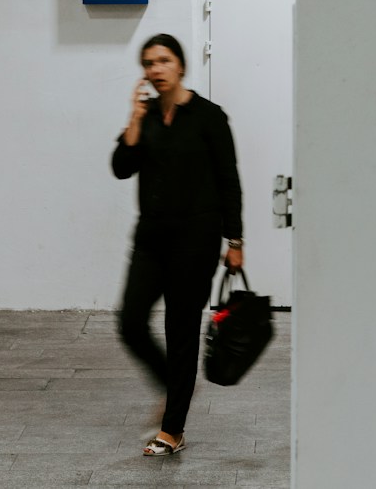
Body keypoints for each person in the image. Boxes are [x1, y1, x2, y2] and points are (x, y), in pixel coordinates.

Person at [111, 33, 244, 457]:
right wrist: (133, 121)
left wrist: (234, 238)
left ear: (181, 66)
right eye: (148, 63)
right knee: (131, 322)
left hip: (195, 241)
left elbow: (228, 180)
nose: (155, 69)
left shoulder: (209, 117)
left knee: (180, 331)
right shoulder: (145, 115)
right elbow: (120, 168)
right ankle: (174, 384)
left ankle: (173, 429)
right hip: (151, 239)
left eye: (163, 60)